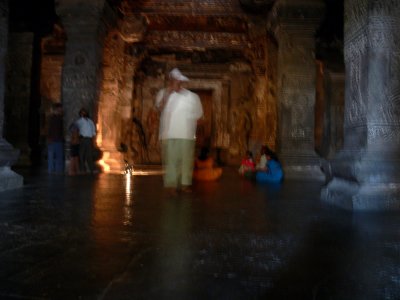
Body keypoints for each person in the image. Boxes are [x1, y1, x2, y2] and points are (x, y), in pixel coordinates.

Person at [156, 68, 203, 194]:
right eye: (173, 81)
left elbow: (199, 117)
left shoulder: (193, 97)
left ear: (182, 82)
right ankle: (171, 186)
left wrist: (194, 131)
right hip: (169, 134)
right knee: (171, 161)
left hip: (187, 134)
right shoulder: (163, 93)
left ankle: (184, 184)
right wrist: (168, 93)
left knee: (186, 161)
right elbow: (159, 108)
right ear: (170, 81)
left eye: (178, 81)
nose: (175, 83)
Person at [75, 108, 96, 174]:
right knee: (82, 154)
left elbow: (93, 131)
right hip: (83, 139)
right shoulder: (79, 121)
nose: (84, 114)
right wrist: (77, 136)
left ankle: (91, 169)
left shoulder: (90, 121)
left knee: (89, 155)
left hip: (89, 139)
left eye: (85, 112)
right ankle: (82, 169)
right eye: (82, 112)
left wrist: (93, 140)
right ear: (80, 114)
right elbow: (74, 129)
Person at [47, 103, 64, 174]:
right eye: (60, 109)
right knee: (56, 156)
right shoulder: (55, 118)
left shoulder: (56, 118)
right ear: (56, 109)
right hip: (55, 140)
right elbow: (51, 129)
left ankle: (54, 170)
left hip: (55, 139)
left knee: (55, 156)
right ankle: (55, 170)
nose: (61, 110)